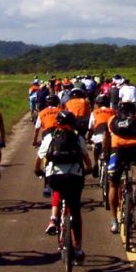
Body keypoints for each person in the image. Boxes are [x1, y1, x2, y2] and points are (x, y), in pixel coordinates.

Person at [38, 111, 92, 261]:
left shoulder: (50, 137)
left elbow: (40, 157)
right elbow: (86, 158)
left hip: (54, 176)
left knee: (57, 190)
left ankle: (54, 218)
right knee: (75, 210)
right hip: (75, 176)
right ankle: (79, 249)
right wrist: (89, 169)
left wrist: (38, 170)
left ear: (57, 123)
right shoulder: (77, 137)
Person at [105, 98, 136, 233]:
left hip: (117, 152)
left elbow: (106, 138)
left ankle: (113, 220)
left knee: (113, 184)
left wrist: (106, 153)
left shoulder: (112, 119)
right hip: (134, 149)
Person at [87, 94, 116, 178]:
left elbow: (90, 128)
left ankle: (96, 163)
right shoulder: (113, 111)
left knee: (96, 145)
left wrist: (88, 138)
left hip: (98, 136)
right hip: (111, 137)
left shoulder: (94, 112)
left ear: (98, 104)